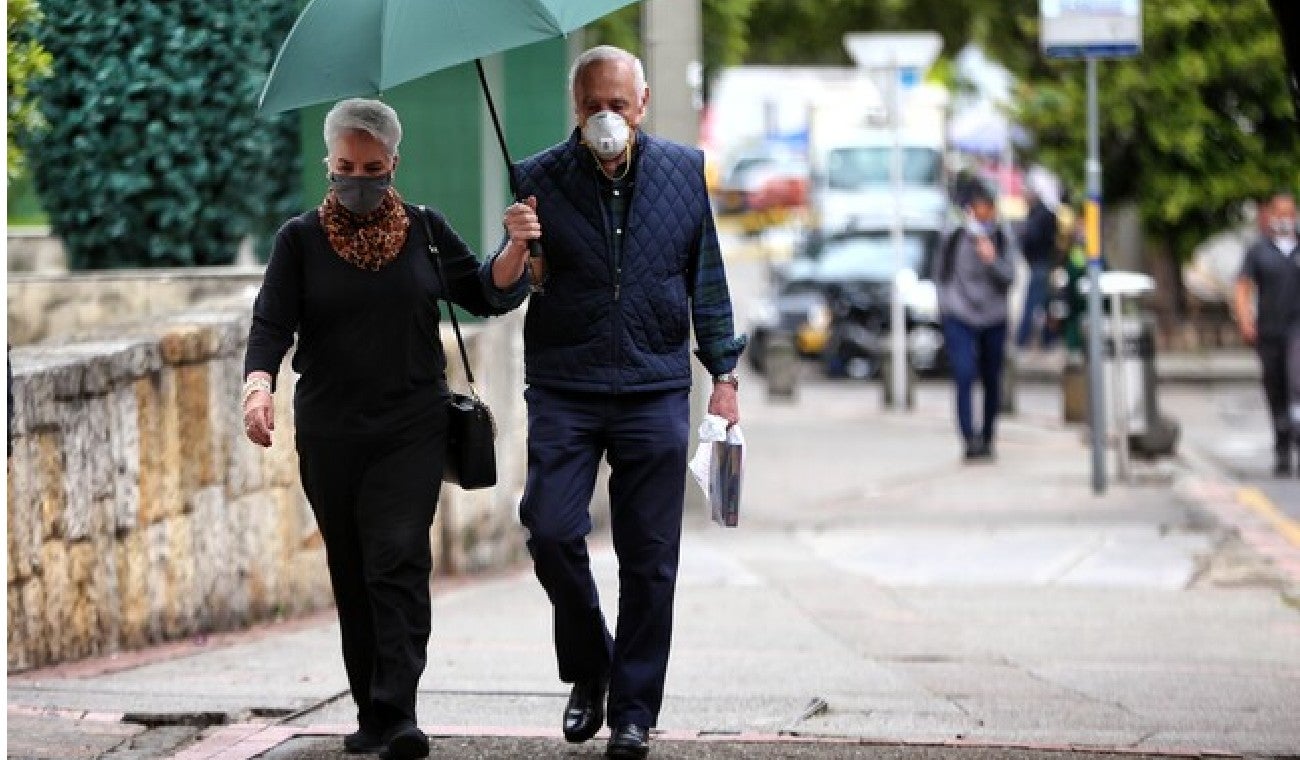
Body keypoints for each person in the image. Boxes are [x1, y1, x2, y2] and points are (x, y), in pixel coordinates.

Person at [241, 98, 532, 760]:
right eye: (345, 166)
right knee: (353, 570)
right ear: (328, 163)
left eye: (371, 168)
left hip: (411, 427)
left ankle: (398, 712)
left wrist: (515, 245)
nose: (357, 179)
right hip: (331, 431)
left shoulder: (426, 231)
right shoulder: (299, 241)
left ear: (394, 164)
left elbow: (487, 293)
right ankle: (372, 710)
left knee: (398, 559)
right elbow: (270, 325)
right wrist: (259, 387)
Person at [502, 45, 746, 760]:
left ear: (640, 105)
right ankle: (591, 668)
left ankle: (633, 712)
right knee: (549, 530)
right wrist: (522, 247)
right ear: (575, 111)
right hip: (566, 387)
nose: (605, 118)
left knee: (650, 560)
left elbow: (707, 279)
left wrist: (724, 377)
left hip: (653, 387)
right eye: (591, 106)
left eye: (617, 104)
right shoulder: (537, 180)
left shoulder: (682, 172)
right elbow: (506, 289)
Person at [933, 181, 1018, 461]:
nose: (983, 213)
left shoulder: (1003, 237)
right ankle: (969, 437)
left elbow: (1010, 278)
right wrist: (945, 307)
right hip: (960, 314)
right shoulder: (955, 236)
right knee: (964, 374)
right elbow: (940, 274)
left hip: (993, 316)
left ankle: (988, 435)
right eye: (978, 207)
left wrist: (992, 259)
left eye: (987, 207)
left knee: (992, 378)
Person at [1234, 192, 1300, 477]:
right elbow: (1242, 287)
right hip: (1269, 331)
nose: (1285, 218)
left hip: (1298, 329)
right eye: (1280, 213)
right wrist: (1246, 320)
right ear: (1270, 215)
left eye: (1290, 213)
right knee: (1276, 389)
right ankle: (1282, 446)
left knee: (1296, 381)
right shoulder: (1258, 250)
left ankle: (1297, 433)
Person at [1015, 171, 1060, 351]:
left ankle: (1024, 339)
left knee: (1034, 303)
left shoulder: (1042, 215)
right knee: (1044, 303)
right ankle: (1047, 339)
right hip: (1040, 264)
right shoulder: (1040, 213)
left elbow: (1035, 238)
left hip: (1040, 264)